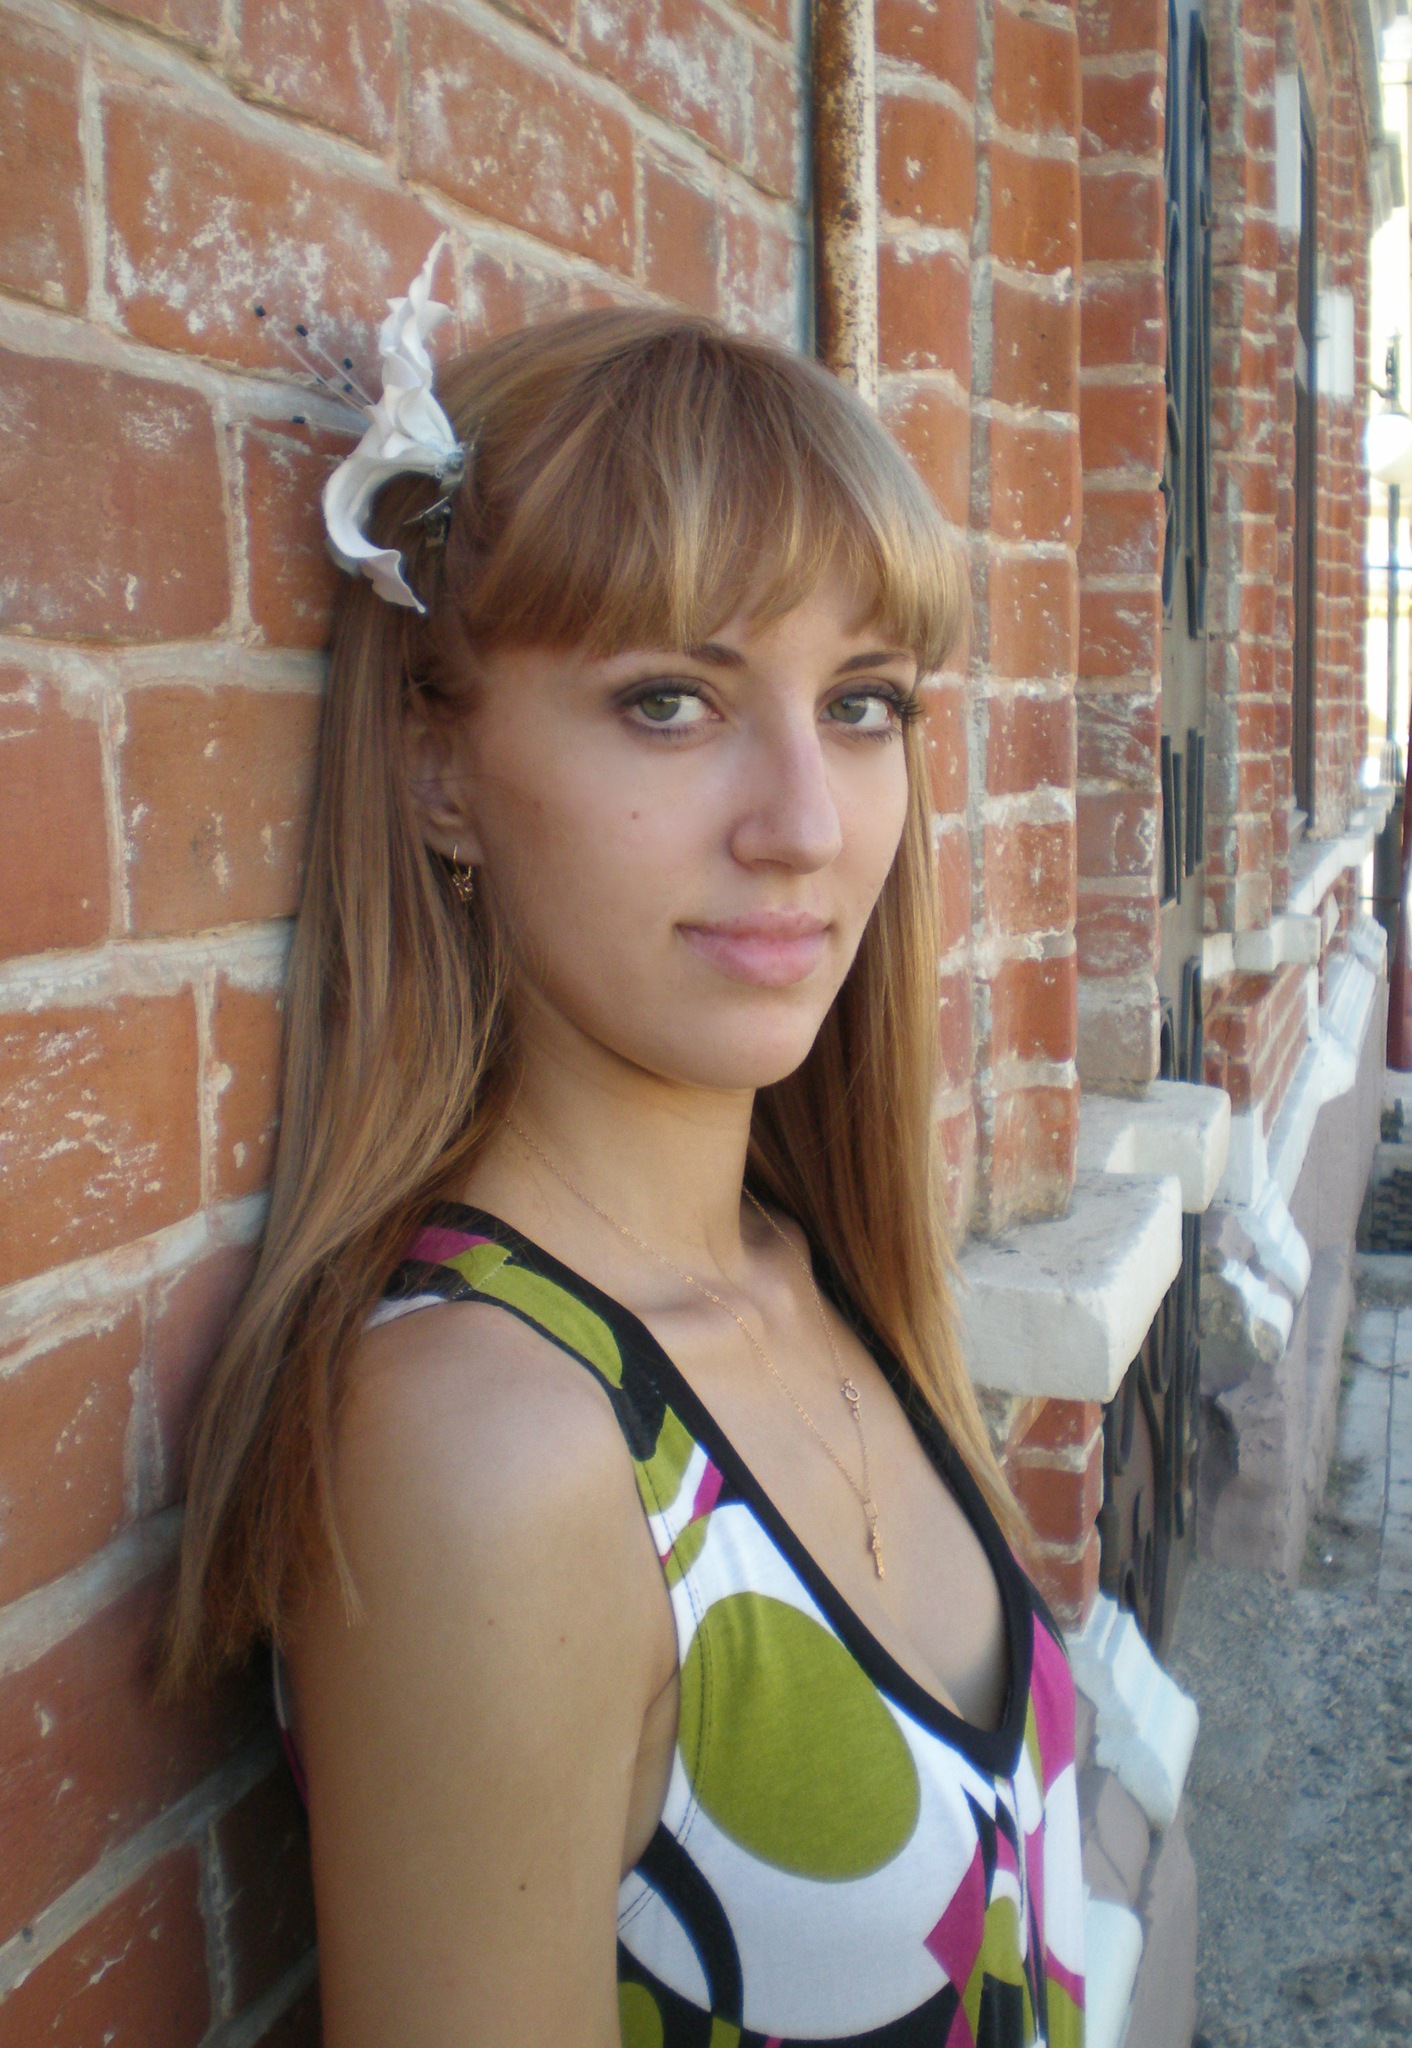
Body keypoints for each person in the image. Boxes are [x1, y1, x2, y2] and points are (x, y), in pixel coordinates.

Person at [160, 241, 1087, 2047]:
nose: (804, 824)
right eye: (671, 699)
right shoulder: (490, 1449)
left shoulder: (815, 1266)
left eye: (865, 702)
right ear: (438, 770)